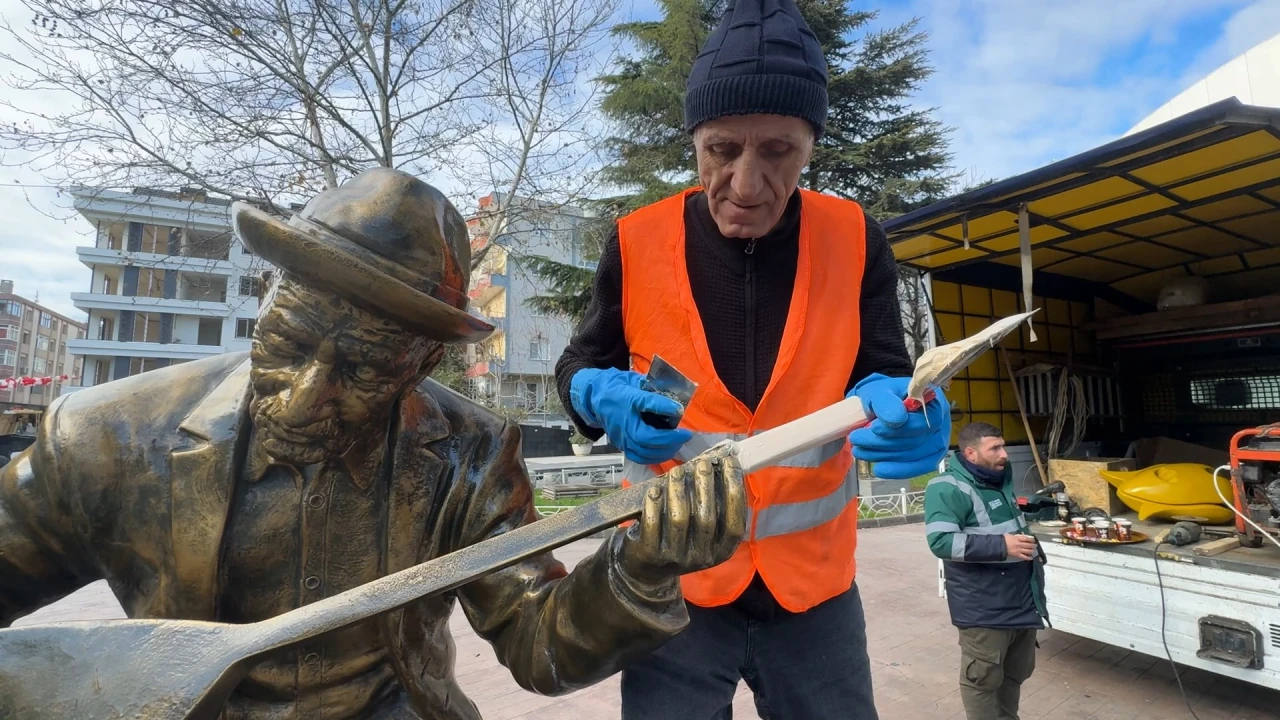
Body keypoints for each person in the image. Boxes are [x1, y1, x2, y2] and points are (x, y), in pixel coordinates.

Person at [0, 167, 750, 720]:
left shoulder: (470, 453)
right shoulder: (107, 437)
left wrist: (640, 568)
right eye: (288, 341)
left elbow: (539, 640)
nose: (304, 395)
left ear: (421, 365)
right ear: (266, 300)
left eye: (362, 368)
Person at [552, 0, 951, 716]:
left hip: (814, 593)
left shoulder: (855, 236)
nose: (744, 184)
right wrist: (598, 394)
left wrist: (905, 407)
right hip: (674, 579)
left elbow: (884, 367)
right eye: (722, 150)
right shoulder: (636, 240)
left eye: (778, 152)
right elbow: (576, 365)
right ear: (695, 140)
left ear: (812, 145)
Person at [924, 422, 1049, 720]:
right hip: (984, 608)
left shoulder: (998, 480)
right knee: (982, 680)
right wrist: (1001, 546)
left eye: (1002, 446)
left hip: (1021, 599)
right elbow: (940, 542)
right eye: (995, 448)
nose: (1004, 454)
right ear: (971, 453)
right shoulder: (946, 487)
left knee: (1014, 674)